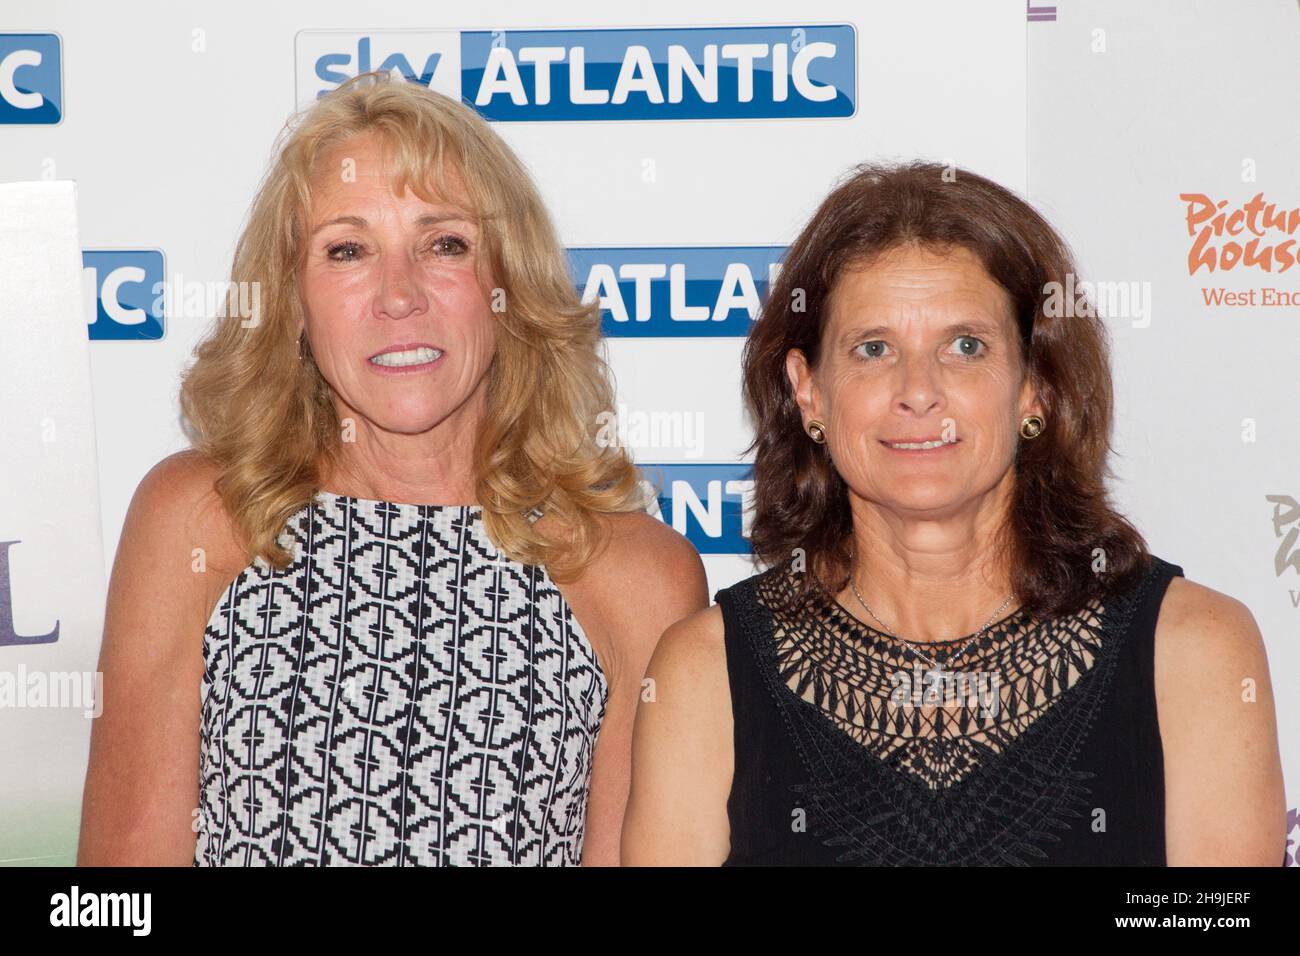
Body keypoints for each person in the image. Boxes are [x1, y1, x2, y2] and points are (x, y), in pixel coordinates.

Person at [77, 71, 706, 867]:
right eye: (347, 250)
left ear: (508, 283)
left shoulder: (635, 577)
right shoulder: (199, 519)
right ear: (293, 301)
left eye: (445, 244)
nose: (398, 295)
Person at [622, 161, 1286, 866]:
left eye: (965, 347)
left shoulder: (1193, 649)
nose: (918, 391)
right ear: (809, 391)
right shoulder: (704, 672)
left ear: (1036, 386)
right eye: (873, 349)